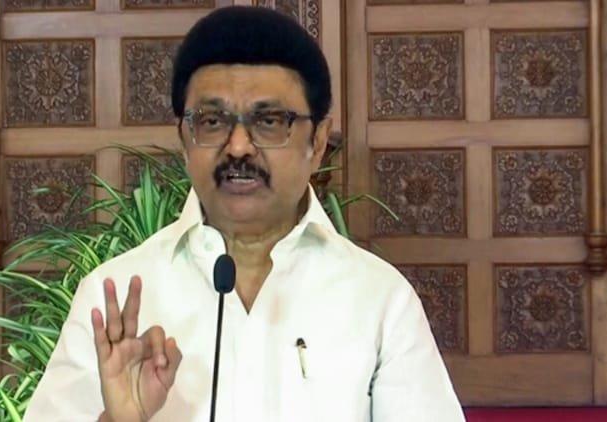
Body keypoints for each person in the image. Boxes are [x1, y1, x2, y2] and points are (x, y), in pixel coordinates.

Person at [24, 6, 464, 422]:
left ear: (317, 143)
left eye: (269, 121)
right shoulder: (114, 299)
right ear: (184, 140)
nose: (238, 147)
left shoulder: (379, 299)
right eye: (212, 121)